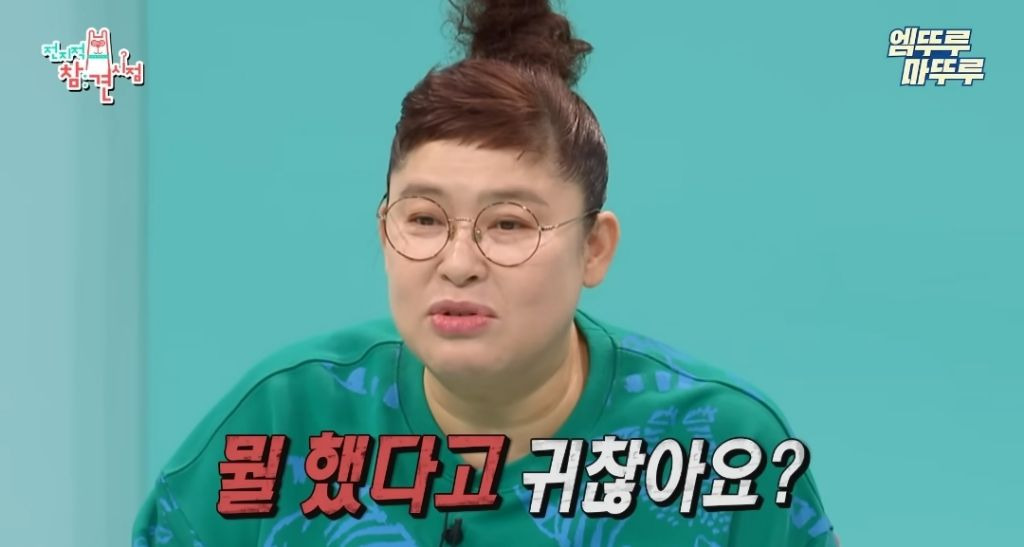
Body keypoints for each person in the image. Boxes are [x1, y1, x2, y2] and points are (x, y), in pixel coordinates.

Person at [132, 1, 837, 545]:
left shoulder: (724, 450)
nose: (459, 264)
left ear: (594, 248)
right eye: (423, 219)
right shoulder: (280, 426)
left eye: (509, 225)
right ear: (383, 231)